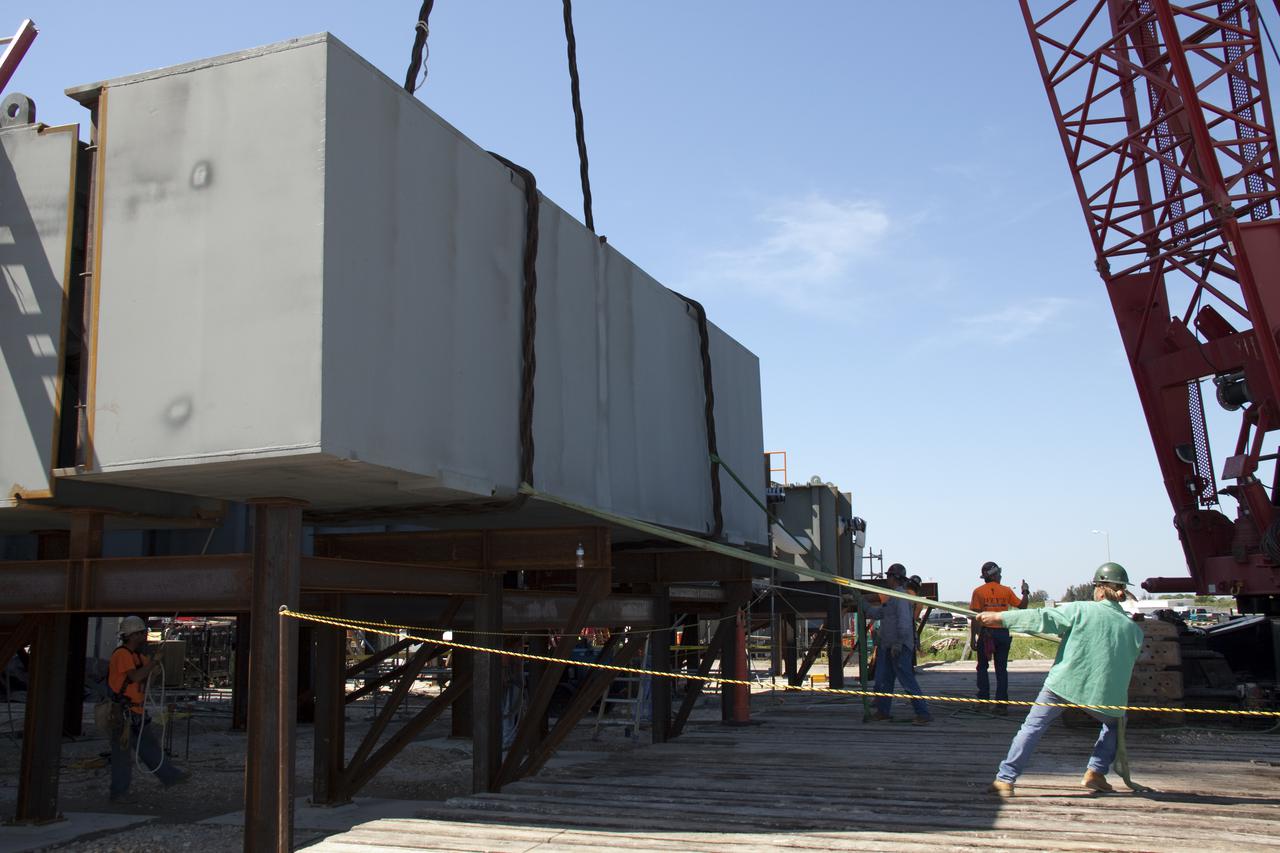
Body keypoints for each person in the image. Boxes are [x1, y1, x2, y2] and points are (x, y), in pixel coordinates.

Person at [979, 563, 1143, 797]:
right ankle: (1095, 773)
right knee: (1116, 724)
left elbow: (1040, 617)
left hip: (1061, 685)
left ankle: (1005, 780)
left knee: (1032, 728)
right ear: (1122, 591)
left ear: (1098, 589)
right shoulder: (1133, 630)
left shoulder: (1080, 610)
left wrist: (999, 617)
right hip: (1103, 693)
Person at [108, 616, 186, 804]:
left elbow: (148, 672)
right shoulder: (122, 655)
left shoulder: (136, 656)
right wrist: (152, 664)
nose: (144, 635)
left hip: (135, 712)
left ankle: (170, 776)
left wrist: (155, 666)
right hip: (123, 713)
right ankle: (118, 792)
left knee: (148, 746)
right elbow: (135, 677)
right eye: (142, 633)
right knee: (121, 755)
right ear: (133, 635)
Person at [861, 563, 931, 725]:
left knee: (906, 679)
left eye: (888, 576)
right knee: (885, 680)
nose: (887, 579)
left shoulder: (900, 597)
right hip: (888, 645)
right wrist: (861, 601)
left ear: (894, 578)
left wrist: (898, 644)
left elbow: (905, 623)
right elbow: (878, 613)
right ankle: (883, 711)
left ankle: (923, 713)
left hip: (898, 646)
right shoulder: (893, 596)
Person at [969, 561, 1029, 713]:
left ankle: (983, 701)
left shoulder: (978, 592)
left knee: (982, 667)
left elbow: (975, 618)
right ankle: (1001, 705)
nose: (1001, 576)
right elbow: (1022, 606)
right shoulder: (1006, 591)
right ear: (994, 575)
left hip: (986, 633)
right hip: (1002, 633)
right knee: (1001, 669)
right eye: (999, 573)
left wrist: (973, 638)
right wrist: (1025, 592)